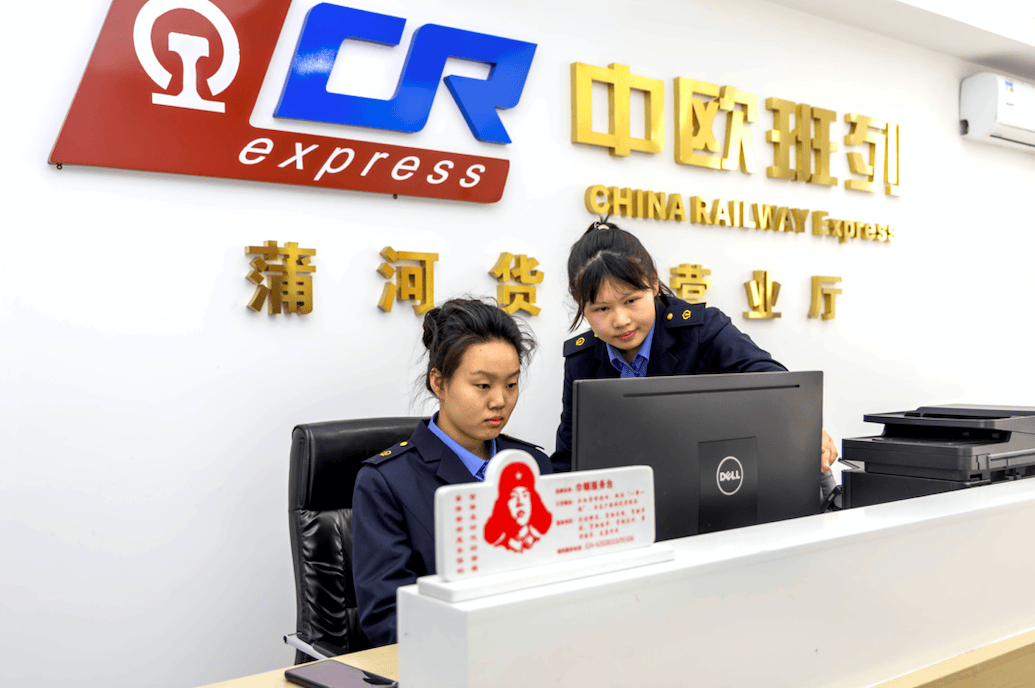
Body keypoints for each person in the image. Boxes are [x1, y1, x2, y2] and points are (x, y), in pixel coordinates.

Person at [552, 219, 838, 496]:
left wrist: (805, 427)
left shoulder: (701, 331)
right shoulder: (581, 359)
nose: (621, 320)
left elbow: (774, 383)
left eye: (631, 301)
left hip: (709, 491)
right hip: (625, 504)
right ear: (581, 305)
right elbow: (569, 457)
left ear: (653, 283)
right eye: (601, 309)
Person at [352, 298, 552, 647]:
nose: (500, 401)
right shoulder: (386, 481)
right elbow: (388, 616)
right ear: (439, 383)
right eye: (483, 385)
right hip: (452, 655)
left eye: (511, 384)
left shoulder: (531, 464)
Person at [484, 460, 553, 552]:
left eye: (525, 495)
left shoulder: (547, 541)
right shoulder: (496, 549)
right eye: (513, 496)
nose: (520, 502)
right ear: (504, 503)